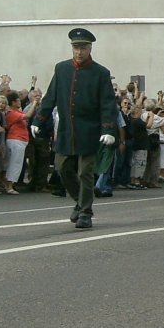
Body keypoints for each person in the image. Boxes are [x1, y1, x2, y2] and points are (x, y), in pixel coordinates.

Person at [31, 28, 118, 229]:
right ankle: (80, 201)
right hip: (67, 131)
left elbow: (107, 104)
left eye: (83, 48)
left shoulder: (101, 72)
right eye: (76, 47)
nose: (79, 52)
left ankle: (85, 212)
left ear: (90, 49)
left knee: (85, 172)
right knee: (62, 168)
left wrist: (108, 130)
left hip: (89, 131)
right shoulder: (62, 69)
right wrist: (38, 120)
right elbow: (51, 97)